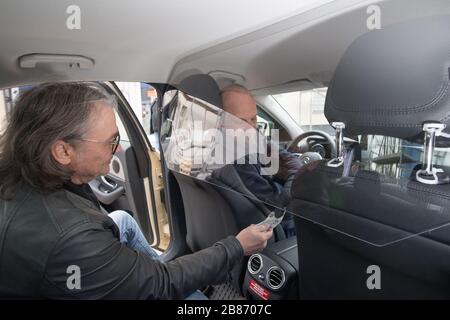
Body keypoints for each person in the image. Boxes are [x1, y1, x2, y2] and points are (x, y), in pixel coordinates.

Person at [0, 82, 273, 299]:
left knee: (124, 221)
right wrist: (236, 246)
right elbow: (162, 286)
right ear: (63, 151)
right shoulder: (74, 238)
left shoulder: (20, 177)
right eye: (111, 141)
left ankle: (149, 269)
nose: (119, 149)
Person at [218, 84, 301, 237]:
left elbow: (265, 143)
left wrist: (287, 159)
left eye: (253, 119)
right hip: (276, 234)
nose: (250, 129)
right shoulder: (237, 161)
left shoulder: (227, 143)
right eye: (240, 121)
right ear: (221, 121)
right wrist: (295, 176)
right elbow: (275, 211)